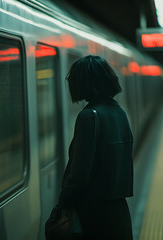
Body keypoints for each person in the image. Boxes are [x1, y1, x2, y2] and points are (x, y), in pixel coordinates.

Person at [56, 55, 134, 239]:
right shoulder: (119, 112)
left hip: (95, 215)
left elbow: (79, 173)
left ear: (83, 83)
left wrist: (62, 202)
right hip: (119, 212)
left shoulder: (89, 116)